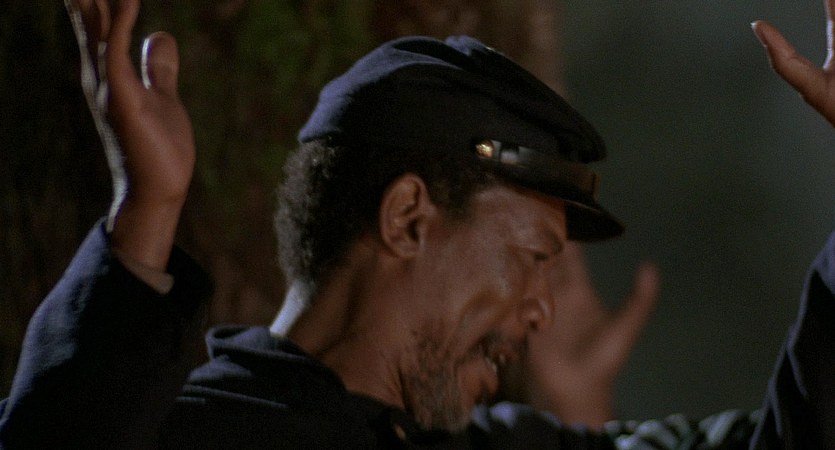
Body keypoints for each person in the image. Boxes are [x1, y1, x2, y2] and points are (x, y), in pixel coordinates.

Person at [0, 0, 833, 448]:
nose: (542, 310)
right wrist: (146, 212)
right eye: (531, 256)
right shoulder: (195, 432)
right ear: (406, 218)